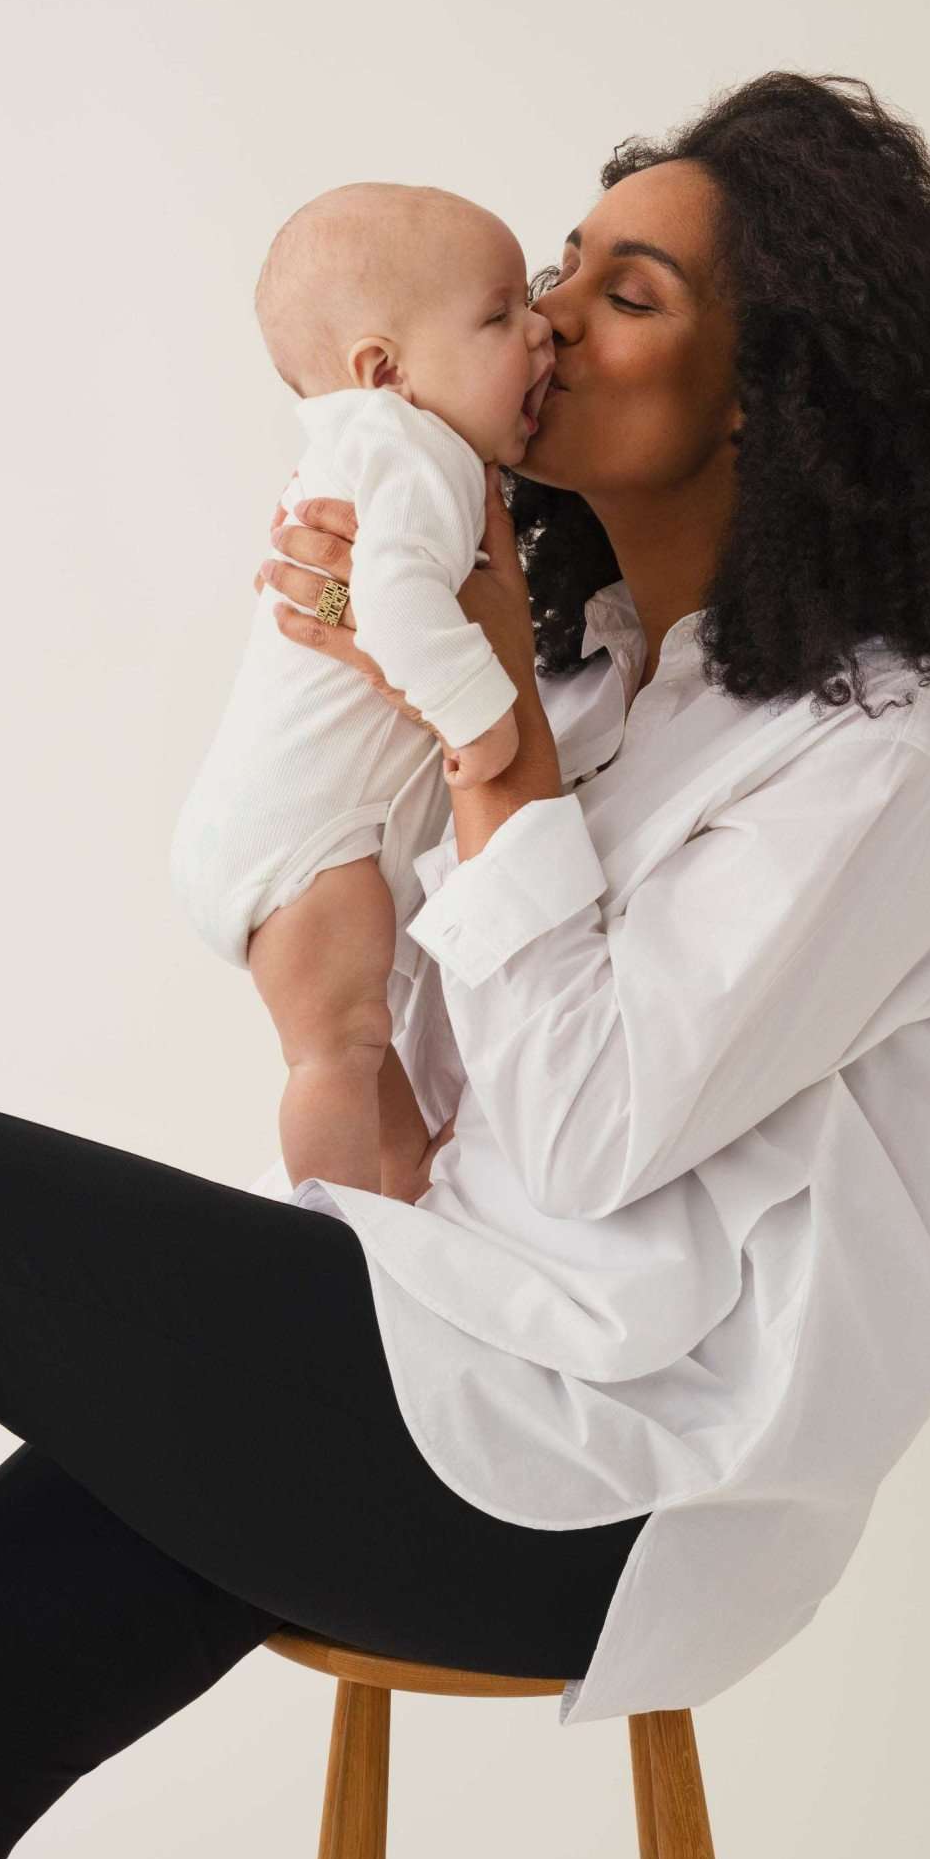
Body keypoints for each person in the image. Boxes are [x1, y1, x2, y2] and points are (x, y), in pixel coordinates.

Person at [0, 70, 930, 1859]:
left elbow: (570, 1137)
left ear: (770, 391)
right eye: (562, 261)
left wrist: (489, 753)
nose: (548, 311)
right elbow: (409, 1067)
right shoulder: (611, 679)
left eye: (626, 291)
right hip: (429, 1342)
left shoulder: (897, 764)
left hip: (595, 1477)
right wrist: (350, 722)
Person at [169, 181, 558, 1202]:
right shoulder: (420, 453)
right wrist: (482, 714)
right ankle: (328, 1233)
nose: (543, 330)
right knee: (334, 1049)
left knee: (355, 1034)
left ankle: (399, 1169)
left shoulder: (373, 448)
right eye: (502, 313)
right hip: (303, 836)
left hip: (277, 826)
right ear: (385, 370)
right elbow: (388, 600)